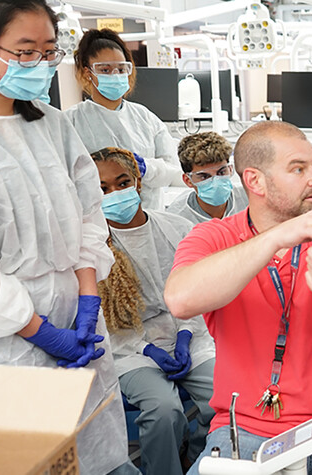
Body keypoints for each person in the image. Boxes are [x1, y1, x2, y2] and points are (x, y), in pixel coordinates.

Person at [0, 1, 137, 474]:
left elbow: (89, 215)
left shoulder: (50, 123)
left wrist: (89, 299)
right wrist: (41, 331)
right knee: (24, 461)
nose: (40, 64)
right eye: (25, 52)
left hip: (78, 318)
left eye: (49, 51)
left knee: (97, 454)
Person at [163, 120, 312, 475]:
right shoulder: (213, 236)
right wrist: (277, 237)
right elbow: (180, 299)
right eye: (299, 169)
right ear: (255, 181)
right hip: (245, 434)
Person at [92, 147, 216, 475]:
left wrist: (186, 335)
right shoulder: (92, 247)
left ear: (138, 183)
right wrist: (147, 349)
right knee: (164, 410)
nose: (115, 194)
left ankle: (200, 459)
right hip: (129, 350)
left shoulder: (177, 228)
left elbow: (196, 289)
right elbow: (103, 321)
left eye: (122, 183)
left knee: (226, 399)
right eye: (102, 188)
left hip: (190, 333)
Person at [66, 28, 183, 210]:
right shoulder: (71, 121)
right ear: (88, 72)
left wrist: (146, 168)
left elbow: (172, 169)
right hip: (99, 224)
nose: (115, 75)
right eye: (105, 69)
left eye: (121, 69)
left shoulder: (145, 118)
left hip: (149, 217)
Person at [166, 131, 248, 226]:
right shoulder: (177, 218)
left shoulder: (249, 199)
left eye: (221, 172)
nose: (215, 182)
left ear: (230, 169)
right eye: (204, 176)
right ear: (188, 180)